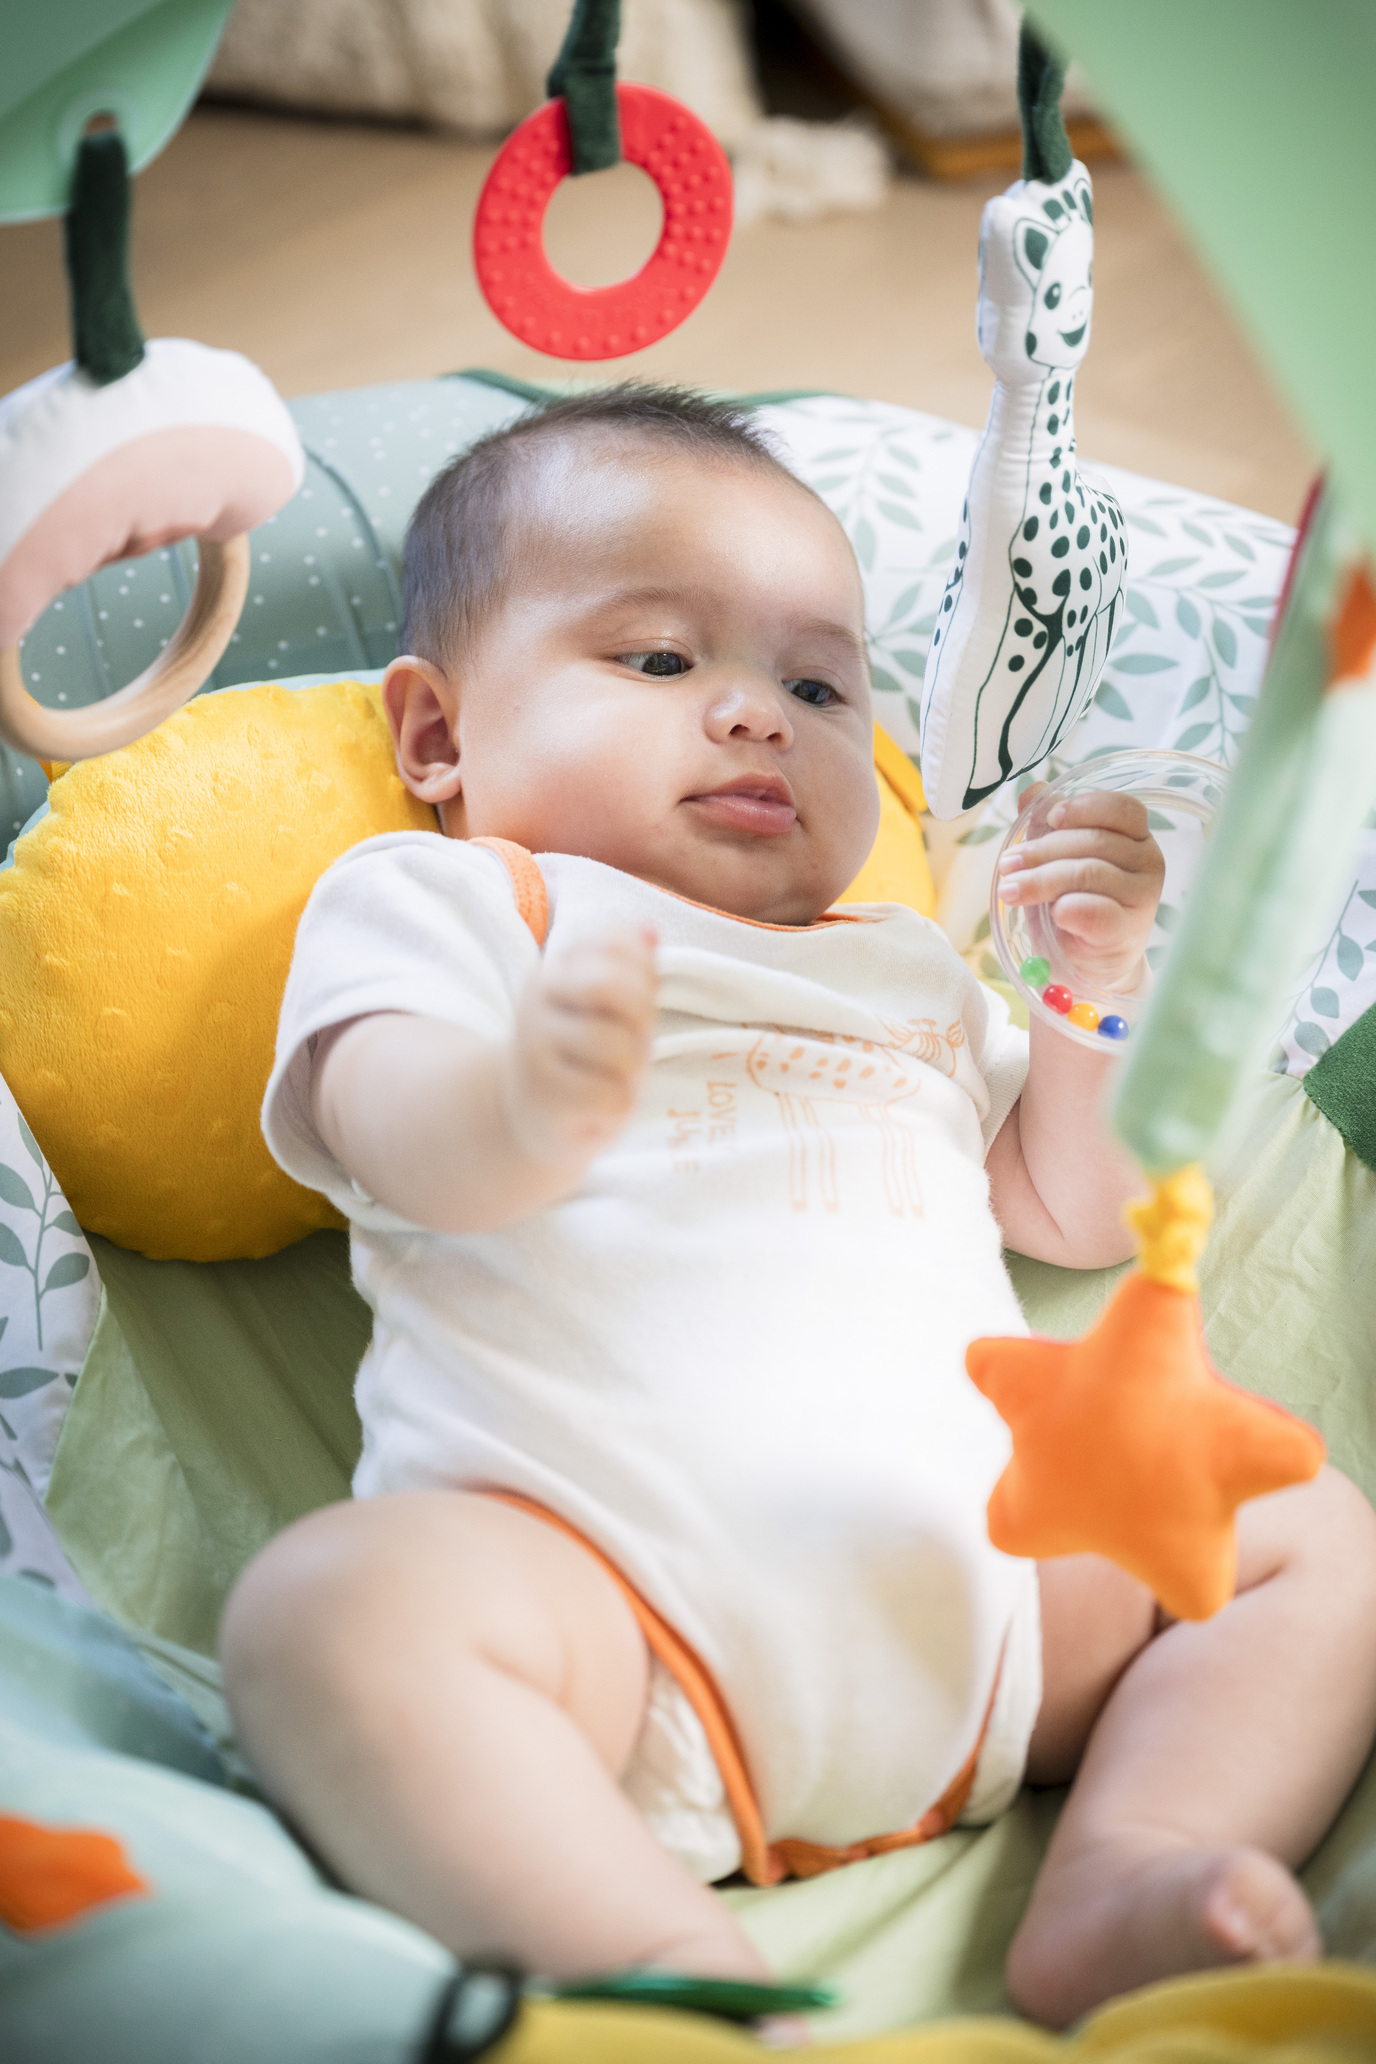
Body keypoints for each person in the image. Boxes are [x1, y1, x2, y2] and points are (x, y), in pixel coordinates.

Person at [222, 387, 1376, 2031]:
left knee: (1310, 1532)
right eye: (659, 659)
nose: (757, 715)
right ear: (436, 735)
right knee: (327, 1617)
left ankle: (1135, 1857)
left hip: (993, 1594)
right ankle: (686, 1988)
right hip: (610, 1617)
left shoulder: (905, 965)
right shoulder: (460, 902)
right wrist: (520, 1102)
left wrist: (1089, 993)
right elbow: (390, 1125)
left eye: (819, 685)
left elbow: (1075, 1207)